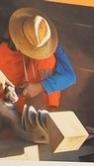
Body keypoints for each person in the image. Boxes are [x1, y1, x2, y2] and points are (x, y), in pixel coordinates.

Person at [1, 8, 77, 137]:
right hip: (6, 91)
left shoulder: (47, 41)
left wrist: (40, 86)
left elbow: (69, 77)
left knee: (48, 60)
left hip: (29, 96)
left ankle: (45, 117)